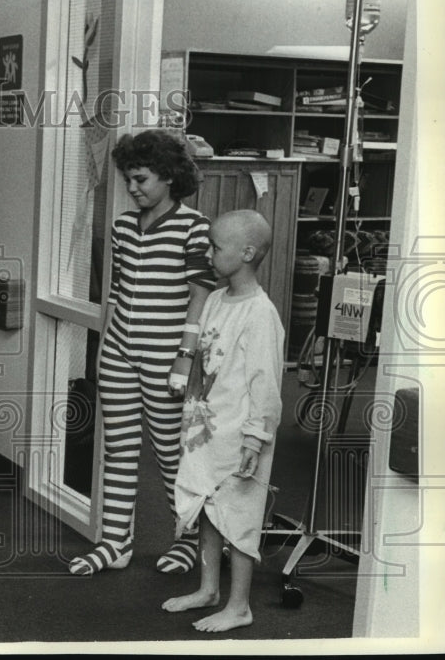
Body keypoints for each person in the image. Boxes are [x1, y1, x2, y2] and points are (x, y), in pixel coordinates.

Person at [70, 128, 215, 576]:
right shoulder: (123, 227)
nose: (132, 189)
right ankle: (116, 541)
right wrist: (105, 349)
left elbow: (200, 297)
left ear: (169, 177)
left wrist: (184, 358)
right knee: (118, 449)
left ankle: (187, 539)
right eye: (128, 180)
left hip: (168, 356)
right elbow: (117, 293)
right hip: (119, 351)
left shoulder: (194, 227)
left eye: (141, 180)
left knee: (174, 454)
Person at [162, 209, 285, 632]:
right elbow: (203, 357)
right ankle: (209, 588)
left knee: (239, 515)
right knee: (207, 506)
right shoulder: (215, 299)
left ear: (247, 252)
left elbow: (265, 384)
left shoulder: (260, 313)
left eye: (215, 247)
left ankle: (239, 605)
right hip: (205, 429)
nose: (208, 252)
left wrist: (255, 439)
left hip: (241, 433)